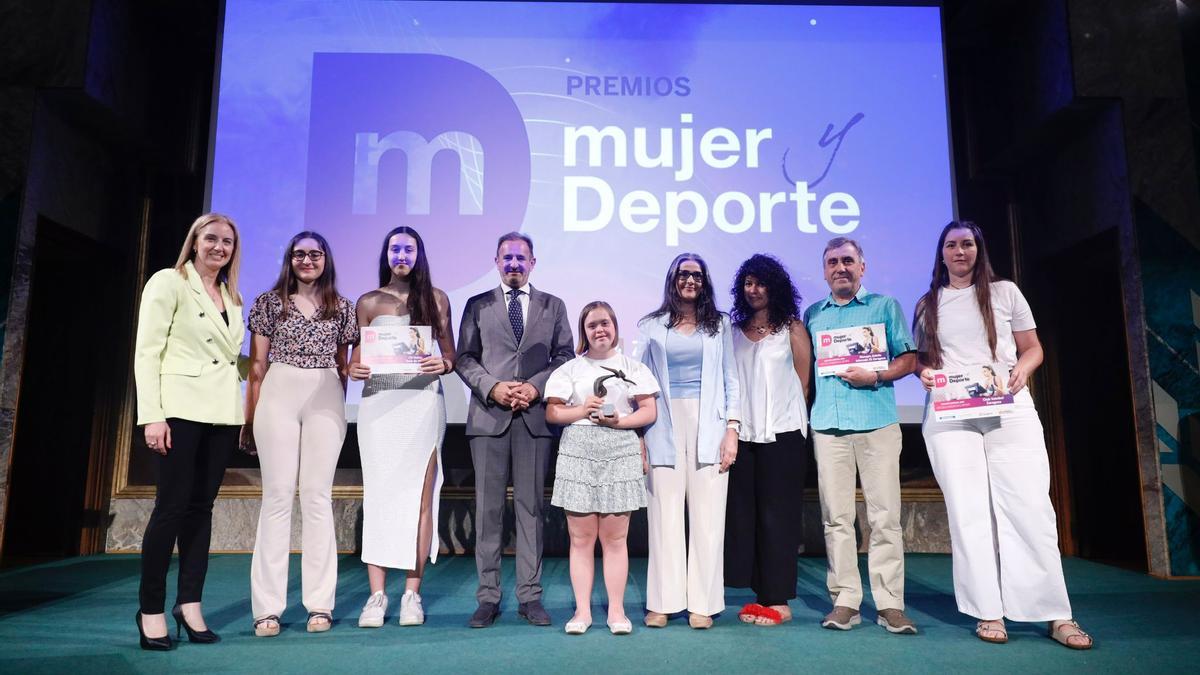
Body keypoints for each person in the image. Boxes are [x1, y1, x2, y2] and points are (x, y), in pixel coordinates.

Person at [913, 220, 1092, 649]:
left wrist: (1021, 371)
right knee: (969, 513)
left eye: (968, 244)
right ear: (941, 253)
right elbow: (921, 360)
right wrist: (925, 375)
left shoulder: (1006, 292)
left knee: (1030, 507)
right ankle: (987, 611)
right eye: (952, 245)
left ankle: (1055, 613)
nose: (960, 251)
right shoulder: (927, 303)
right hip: (951, 416)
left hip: (1009, 408)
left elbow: (1033, 348)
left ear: (980, 250)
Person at [133, 213, 245, 650]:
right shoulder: (169, 281)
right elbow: (148, 351)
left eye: (228, 242)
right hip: (177, 410)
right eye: (212, 238)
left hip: (220, 413)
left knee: (202, 509)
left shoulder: (233, 295)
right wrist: (151, 415)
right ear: (194, 240)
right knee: (171, 509)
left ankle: (190, 603)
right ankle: (151, 609)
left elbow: (228, 359)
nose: (220, 247)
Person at [456, 231, 574, 628]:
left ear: (533, 263)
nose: (514, 265)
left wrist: (535, 387)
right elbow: (465, 358)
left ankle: (530, 596)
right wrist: (495, 387)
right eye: (507, 258)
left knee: (531, 511)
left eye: (521, 258)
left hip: (535, 419)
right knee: (488, 512)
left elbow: (564, 357)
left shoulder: (553, 306)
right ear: (496, 261)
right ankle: (488, 597)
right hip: (489, 418)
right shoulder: (477, 305)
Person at [242, 232, 358, 636]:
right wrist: (248, 417)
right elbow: (257, 367)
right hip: (279, 390)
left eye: (315, 254)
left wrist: (340, 402)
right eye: (300, 254)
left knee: (316, 496)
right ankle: (267, 609)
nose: (307, 260)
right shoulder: (268, 302)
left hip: (326, 391)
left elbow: (345, 366)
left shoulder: (342, 307)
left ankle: (319, 605)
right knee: (276, 497)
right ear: (289, 260)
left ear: (326, 259)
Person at [803, 236, 918, 635]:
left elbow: (909, 357)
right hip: (829, 427)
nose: (841, 268)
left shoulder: (884, 306)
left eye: (848, 261)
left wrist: (879, 375)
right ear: (824, 270)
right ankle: (846, 601)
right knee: (836, 519)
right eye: (833, 262)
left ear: (862, 267)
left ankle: (890, 604)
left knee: (885, 516)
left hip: (877, 422)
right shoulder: (812, 313)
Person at [349, 226, 456, 628]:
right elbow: (355, 359)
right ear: (386, 253)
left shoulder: (437, 299)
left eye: (409, 248)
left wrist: (441, 364)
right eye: (395, 247)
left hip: (422, 402)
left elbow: (450, 355)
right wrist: (352, 367)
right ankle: (377, 596)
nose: (401, 254)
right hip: (380, 403)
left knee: (421, 498)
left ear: (419, 254)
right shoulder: (368, 301)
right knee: (378, 496)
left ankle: (412, 593)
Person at [638, 253, 741, 630]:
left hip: (709, 424)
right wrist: (638, 435)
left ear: (705, 281)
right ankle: (663, 602)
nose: (690, 280)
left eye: (697, 275)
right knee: (663, 514)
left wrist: (733, 429)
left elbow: (731, 378)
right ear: (672, 279)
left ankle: (703, 603)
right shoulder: (651, 326)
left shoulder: (721, 326)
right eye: (683, 274)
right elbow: (638, 382)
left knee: (709, 516)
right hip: (661, 423)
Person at [545, 301, 659, 636]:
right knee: (581, 539)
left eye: (605, 323)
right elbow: (553, 414)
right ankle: (582, 612)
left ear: (615, 327)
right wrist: (582, 409)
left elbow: (649, 411)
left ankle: (616, 612)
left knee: (615, 539)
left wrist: (620, 421)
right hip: (578, 451)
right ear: (584, 331)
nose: (600, 330)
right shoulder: (570, 369)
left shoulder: (632, 367)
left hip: (620, 451)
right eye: (593, 324)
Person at [724, 254, 812, 627]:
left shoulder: (791, 327)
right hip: (743, 436)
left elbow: (804, 383)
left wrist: (787, 421)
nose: (754, 289)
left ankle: (778, 599)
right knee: (746, 516)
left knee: (779, 518)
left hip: (784, 433)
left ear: (774, 286)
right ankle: (756, 592)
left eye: (761, 282)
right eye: (748, 283)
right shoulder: (732, 331)